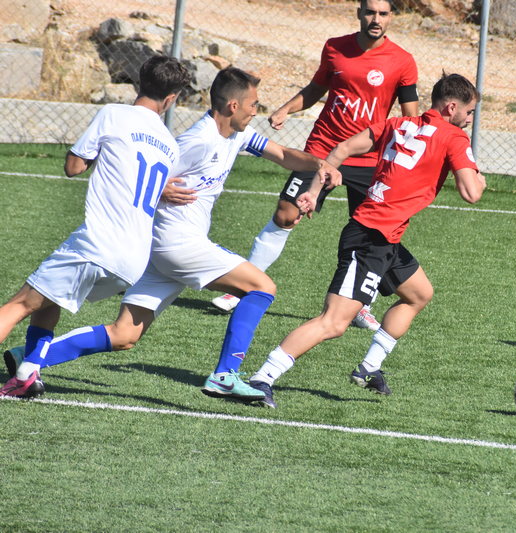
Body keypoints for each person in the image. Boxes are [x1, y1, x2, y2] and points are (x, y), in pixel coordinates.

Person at [1, 67, 338, 401]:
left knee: (124, 335)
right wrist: (161, 189)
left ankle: (29, 359)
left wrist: (319, 165)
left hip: (159, 251)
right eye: (253, 104)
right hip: (177, 243)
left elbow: (283, 155)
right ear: (233, 105)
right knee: (262, 286)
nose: (256, 111)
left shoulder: (240, 134)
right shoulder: (197, 141)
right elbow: (144, 171)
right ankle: (225, 375)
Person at [247, 73, 486, 408]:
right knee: (333, 322)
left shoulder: (396, 124)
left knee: (418, 294)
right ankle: (263, 378)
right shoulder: (454, 137)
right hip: (370, 238)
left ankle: (369, 368)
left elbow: (342, 148)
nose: (470, 119)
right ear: (451, 108)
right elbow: (472, 193)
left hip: (385, 236)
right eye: (469, 112)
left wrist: (314, 191)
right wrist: (478, 175)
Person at [211, 0, 419, 334]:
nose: (376, 19)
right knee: (286, 214)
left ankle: (361, 305)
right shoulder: (335, 48)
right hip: (323, 150)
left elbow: (410, 117)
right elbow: (314, 90)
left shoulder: (402, 61)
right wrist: (285, 109)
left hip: (368, 158)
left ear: (392, 17)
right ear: (359, 13)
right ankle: (243, 286)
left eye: (383, 13)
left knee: (372, 233)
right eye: (370, 12)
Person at [0, 55, 190, 397]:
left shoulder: (113, 114)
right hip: (133, 259)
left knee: (20, 304)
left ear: (139, 82)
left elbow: (74, 167)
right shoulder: (170, 145)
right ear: (171, 98)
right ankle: (27, 373)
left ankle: (28, 372)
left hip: (99, 243)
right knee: (50, 301)